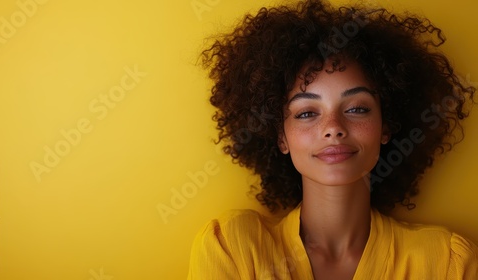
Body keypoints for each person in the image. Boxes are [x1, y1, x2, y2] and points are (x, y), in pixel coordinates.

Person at [188, 0, 478, 279]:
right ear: (281, 136)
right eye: (306, 113)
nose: (333, 128)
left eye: (356, 109)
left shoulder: (448, 262)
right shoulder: (232, 248)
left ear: (386, 125)